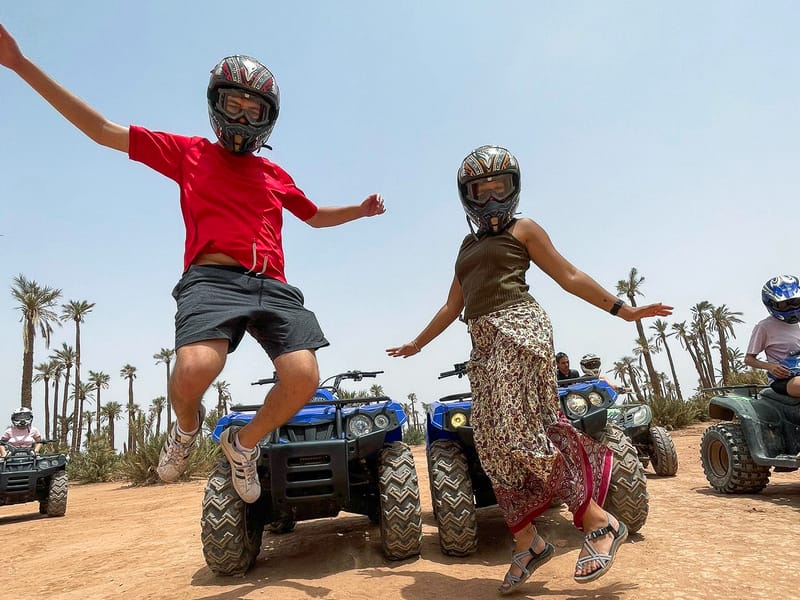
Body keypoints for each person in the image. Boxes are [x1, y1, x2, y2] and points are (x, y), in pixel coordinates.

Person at [0, 25, 386, 503]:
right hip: (211, 279)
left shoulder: (274, 173)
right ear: (216, 105)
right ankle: (185, 430)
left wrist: (358, 210)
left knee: (304, 376)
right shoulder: (189, 154)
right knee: (194, 369)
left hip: (272, 284)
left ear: (269, 119)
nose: (244, 116)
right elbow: (102, 131)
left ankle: (242, 445)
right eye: (234, 105)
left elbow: (313, 216)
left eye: (254, 110)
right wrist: (20, 64)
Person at [387, 145, 672, 593]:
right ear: (466, 196)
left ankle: (598, 522)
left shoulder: (525, 228)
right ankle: (528, 542)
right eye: (478, 191)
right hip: (483, 344)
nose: (488, 198)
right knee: (492, 443)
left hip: (520, 329)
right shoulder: (467, 245)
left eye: (497, 187)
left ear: (512, 189)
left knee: (521, 432)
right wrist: (417, 343)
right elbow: (451, 306)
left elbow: (569, 275)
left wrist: (624, 310)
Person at [744, 275, 800, 397]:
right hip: (784, 380)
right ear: (771, 304)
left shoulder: (797, 324)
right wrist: (770, 367)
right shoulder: (765, 327)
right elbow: (748, 359)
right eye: (784, 304)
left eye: (795, 302)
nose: (791, 307)